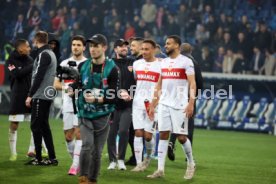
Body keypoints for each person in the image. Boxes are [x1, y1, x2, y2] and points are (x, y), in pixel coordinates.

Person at [71, 34, 120, 184]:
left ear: (104, 47)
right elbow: (78, 83)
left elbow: (114, 96)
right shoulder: (83, 66)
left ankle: (93, 179)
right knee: (86, 145)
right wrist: (72, 88)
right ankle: (83, 177)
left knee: (97, 152)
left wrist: (98, 99)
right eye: (91, 46)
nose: (92, 49)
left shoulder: (113, 69)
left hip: (103, 114)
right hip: (85, 112)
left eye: (96, 46)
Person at [147, 35, 196, 180]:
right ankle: (160, 169)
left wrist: (191, 103)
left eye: (168, 44)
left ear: (177, 46)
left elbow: (192, 83)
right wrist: (153, 103)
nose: (165, 46)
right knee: (162, 134)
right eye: (166, 43)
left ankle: (191, 164)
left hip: (180, 105)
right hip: (164, 104)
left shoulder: (186, 62)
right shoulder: (164, 62)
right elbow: (159, 84)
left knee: (181, 137)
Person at [54, 35, 87, 175]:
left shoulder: (88, 64)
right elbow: (55, 84)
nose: (76, 47)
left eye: (79, 45)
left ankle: (74, 166)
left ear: (84, 47)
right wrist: (66, 89)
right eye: (74, 44)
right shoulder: (64, 64)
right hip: (67, 103)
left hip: (82, 104)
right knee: (68, 137)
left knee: (79, 134)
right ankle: (77, 160)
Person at [25, 31, 58, 166]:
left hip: (41, 95)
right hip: (46, 95)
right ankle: (52, 157)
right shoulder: (51, 53)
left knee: (36, 126)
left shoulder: (43, 54)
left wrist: (30, 94)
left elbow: (38, 76)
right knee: (44, 126)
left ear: (36, 40)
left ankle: (38, 158)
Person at [167, 42, 203, 161]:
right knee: (189, 125)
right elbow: (199, 83)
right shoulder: (194, 63)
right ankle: (189, 156)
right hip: (188, 97)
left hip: (175, 96)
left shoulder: (175, 61)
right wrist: (194, 98)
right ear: (191, 51)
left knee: (175, 121)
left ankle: (171, 142)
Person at [131, 39, 161, 172]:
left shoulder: (161, 65)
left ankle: (148, 157)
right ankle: (139, 164)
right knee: (138, 132)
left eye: (147, 49)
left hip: (153, 104)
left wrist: (154, 103)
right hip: (138, 102)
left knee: (148, 136)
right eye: (142, 49)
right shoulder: (136, 64)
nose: (143, 52)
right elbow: (136, 81)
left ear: (154, 50)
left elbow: (162, 87)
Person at [107, 38, 135, 170]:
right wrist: (118, 93)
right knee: (111, 133)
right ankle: (112, 160)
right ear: (115, 49)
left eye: (126, 46)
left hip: (128, 105)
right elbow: (106, 83)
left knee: (124, 131)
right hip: (112, 104)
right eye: (121, 46)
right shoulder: (109, 63)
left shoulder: (133, 62)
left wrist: (131, 94)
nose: (124, 48)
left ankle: (121, 159)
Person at [6, 39, 33, 161]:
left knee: (35, 124)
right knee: (14, 125)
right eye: (27, 46)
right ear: (20, 48)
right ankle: (13, 153)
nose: (29, 48)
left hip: (29, 95)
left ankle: (32, 150)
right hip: (17, 96)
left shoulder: (30, 59)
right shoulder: (10, 60)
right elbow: (17, 74)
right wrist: (33, 66)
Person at [125, 37, 144, 166]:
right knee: (131, 130)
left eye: (133, 46)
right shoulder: (135, 61)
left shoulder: (142, 63)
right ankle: (137, 156)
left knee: (136, 130)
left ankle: (139, 157)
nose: (131, 48)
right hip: (132, 100)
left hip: (140, 102)